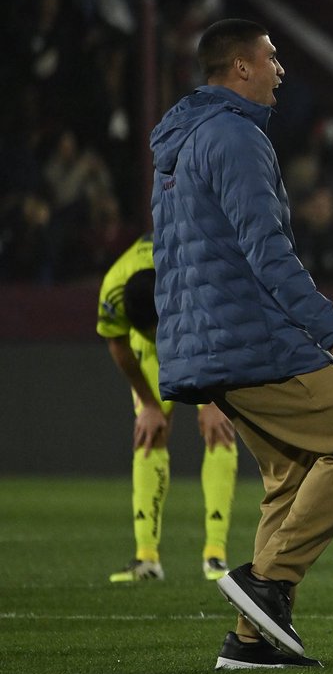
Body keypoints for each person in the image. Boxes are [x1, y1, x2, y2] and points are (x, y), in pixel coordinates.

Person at [150, 19, 333, 670]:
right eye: (271, 57)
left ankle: (250, 642)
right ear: (240, 68)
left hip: (205, 341)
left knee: (289, 474)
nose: (280, 69)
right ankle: (269, 583)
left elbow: (183, 259)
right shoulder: (235, 138)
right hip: (252, 341)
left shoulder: (181, 146)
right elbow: (268, 253)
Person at [97, 235, 238, 583]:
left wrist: (212, 400)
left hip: (201, 333)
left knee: (219, 428)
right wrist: (147, 403)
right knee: (150, 431)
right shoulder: (113, 292)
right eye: (149, 332)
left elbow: (219, 328)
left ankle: (215, 557)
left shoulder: (193, 277)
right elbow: (117, 344)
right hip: (170, 327)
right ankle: (147, 559)